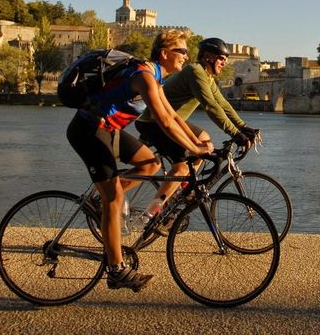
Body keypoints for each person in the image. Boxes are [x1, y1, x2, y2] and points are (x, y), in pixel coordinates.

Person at [66, 29, 208, 291]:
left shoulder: (156, 78)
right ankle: (116, 270)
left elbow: (175, 117)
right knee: (114, 199)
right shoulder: (143, 76)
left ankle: (100, 199)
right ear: (165, 53)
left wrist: (197, 143)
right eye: (182, 51)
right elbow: (163, 122)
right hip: (88, 130)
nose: (186, 57)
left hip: (109, 130)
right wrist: (193, 149)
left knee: (151, 164)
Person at [136, 37, 260, 207]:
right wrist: (235, 134)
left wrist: (244, 127)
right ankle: (152, 213)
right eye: (222, 59)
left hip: (172, 121)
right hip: (153, 122)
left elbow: (222, 104)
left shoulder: (207, 77)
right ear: (209, 57)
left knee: (204, 138)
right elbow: (210, 107)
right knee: (181, 168)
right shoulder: (195, 72)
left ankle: (182, 187)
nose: (224, 64)